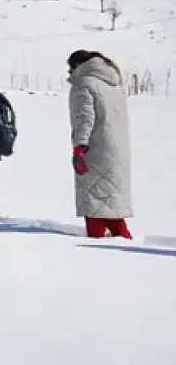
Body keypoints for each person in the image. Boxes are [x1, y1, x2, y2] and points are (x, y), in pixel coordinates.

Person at [67, 50, 133, 239]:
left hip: (95, 149)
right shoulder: (114, 85)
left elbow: (84, 118)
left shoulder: (84, 84)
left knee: (94, 203)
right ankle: (125, 242)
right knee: (110, 205)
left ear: (77, 65)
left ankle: (97, 252)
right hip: (117, 150)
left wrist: (79, 146)